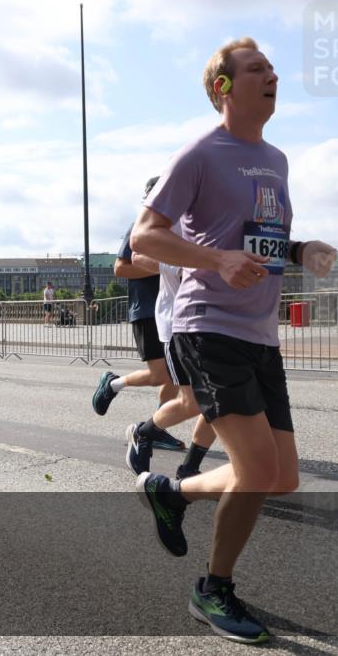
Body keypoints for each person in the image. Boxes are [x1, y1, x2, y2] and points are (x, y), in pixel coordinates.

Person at [129, 38, 338, 644]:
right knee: (256, 468)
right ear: (223, 87)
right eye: (256, 69)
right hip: (208, 325)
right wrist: (216, 259)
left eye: (272, 68)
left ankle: (170, 490)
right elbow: (145, 238)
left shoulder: (276, 158)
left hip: (259, 334)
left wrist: (302, 250)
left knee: (281, 477)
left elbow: (263, 236)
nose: (272, 76)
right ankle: (213, 589)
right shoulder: (199, 152)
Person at [126, 181, 217, 477]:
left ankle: (189, 468)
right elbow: (135, 256)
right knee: (192, 403)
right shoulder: (163, 219)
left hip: (218, 321)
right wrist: (178, 266)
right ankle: (144, 432)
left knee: (219, 400)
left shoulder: (212, 216)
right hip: (178, 322)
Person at [92, 205, 184, 451]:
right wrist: (164, 267)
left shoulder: (181, 228)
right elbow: (120, 268)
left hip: (174, 312)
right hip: (146, 310)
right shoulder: (141, 226)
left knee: (176, 375)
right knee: (160, 375)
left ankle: (157, 429)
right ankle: (112, 384)